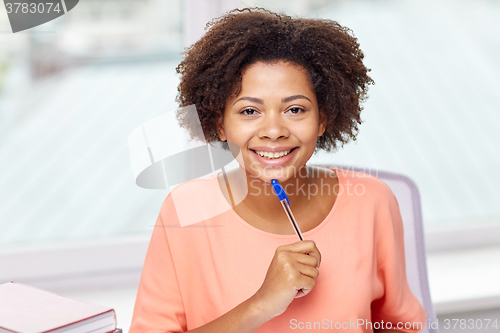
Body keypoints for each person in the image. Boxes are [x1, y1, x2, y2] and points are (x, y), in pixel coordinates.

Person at [129, 7, 427, 333]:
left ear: (323, 119)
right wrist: (262, 304)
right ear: (220, 123)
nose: (273, 130)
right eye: (249, 111)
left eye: (295, 109)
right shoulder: (185, 210)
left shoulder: (372, 201)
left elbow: (401, 325)